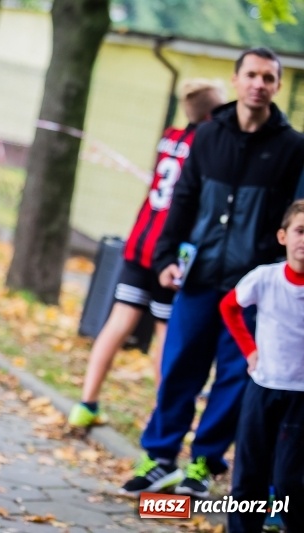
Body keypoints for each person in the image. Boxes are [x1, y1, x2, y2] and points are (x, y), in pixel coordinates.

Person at [119, 47, 304, 498]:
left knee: (236, 376)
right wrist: (165, 259)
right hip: (198, 277)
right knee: (179, 364)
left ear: (277, 86)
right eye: (252, 75)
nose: (259, 84)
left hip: (253, 289)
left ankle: (203, 463)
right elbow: (183, 199)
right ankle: (158, 457)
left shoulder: (292, 146)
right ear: (237, 80)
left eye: (269, 77)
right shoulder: (207, 136)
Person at [68, 79, 225, 429]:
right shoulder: (208, 146)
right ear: (214, 114)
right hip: (169, 252)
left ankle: (86, 402)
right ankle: (164, 419)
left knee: (120, 321)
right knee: (166, 336)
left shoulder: (170, 138)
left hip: (140, 242)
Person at [219, 200, 304, 533]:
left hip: (300, 397)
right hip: (264, 386)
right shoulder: (264, 278)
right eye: (300, 231)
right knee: (249, 473)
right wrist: (250, 351)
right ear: (283, 236)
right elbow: (229, 307)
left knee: (289, 479)